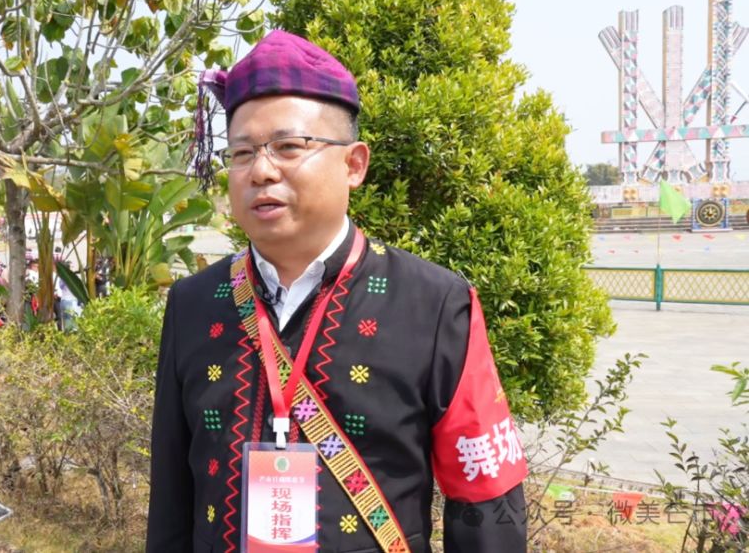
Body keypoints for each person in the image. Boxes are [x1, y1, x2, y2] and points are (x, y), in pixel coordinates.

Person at [146, 31, 527, 552]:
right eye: (242, 152)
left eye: (288, 147)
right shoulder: (192, 304)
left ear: (354, 164)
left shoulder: (435, 304)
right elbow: (171, 497)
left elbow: (484, 497)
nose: (261, 170)